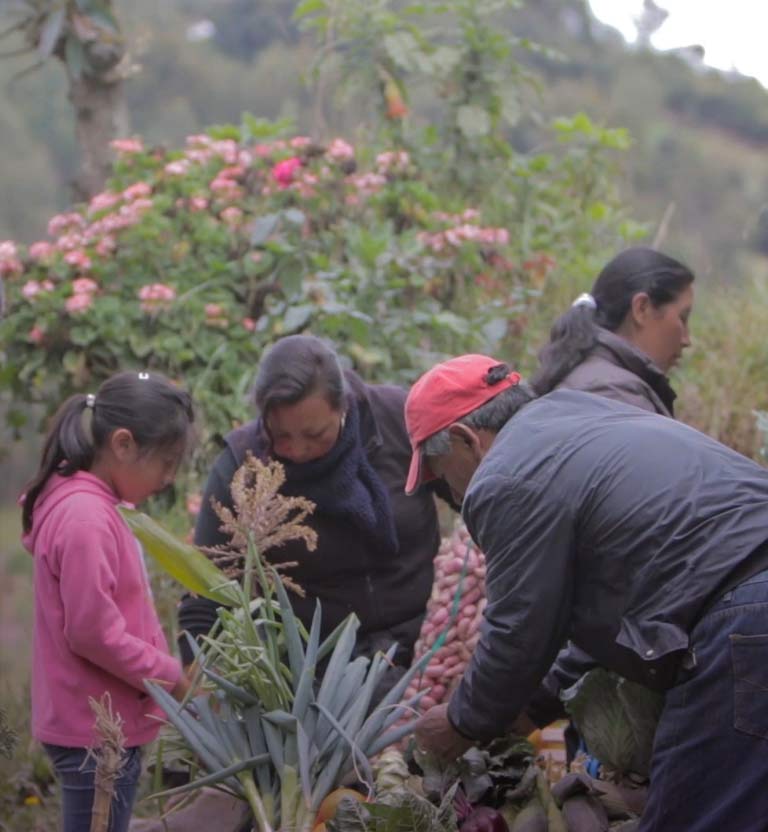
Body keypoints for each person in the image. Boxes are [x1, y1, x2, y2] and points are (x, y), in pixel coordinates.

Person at [404, 354, 768, 831]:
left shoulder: (505, 475)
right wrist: (536, 703)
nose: (451, 492)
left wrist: (461, 722)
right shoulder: (577, 418)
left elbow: (519, 629)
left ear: (464, 439)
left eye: (440, 472)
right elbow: (605, 609)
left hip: (744, 617)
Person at [178, 334, 449, 674]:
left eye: (315, 435)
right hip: (315, 672)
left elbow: (474, 498)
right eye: (282, 436)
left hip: (430, 646)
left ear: (343, 406)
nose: (298, 450)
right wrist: (203, 674)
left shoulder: (399, 421)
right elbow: (207, 590)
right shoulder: (244, 466)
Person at [21, 371, 195, 832]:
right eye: (166, 461)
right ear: (122, 444)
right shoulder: (86, 518)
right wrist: (170, 675)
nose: (169, 477)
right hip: (95, 731)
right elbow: (93, 632)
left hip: (98, 722)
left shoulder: (92, 505)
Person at [531, 246, 695, 416]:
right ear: (642, 309)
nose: (686, 340)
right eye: (682, 318)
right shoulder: (616, 399)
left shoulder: (591, 383)